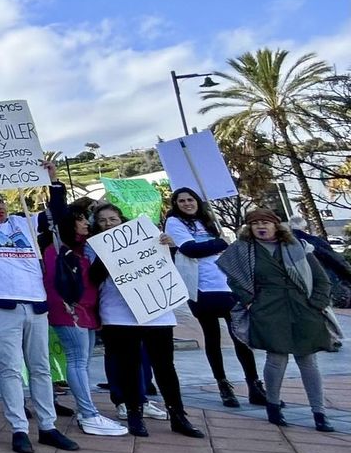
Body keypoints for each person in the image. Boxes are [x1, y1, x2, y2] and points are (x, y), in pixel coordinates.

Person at [0, 152, 77, 453]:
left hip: (34, 305)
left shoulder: (25, 223)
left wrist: (54, 180)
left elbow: (59, 215)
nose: (0, 206)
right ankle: (19, 428)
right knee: (9, 368)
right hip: (1, 307)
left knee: (41, 368)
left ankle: (48, 426)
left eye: (2, 201)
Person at [88, 204, 204, 439]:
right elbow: (92, 278)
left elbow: (164, 268)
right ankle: (134, 413)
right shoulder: (94, 248)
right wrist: (107, 256)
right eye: (103, 220)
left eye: (113, 218)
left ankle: (178, 414)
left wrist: (168, 247)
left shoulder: (146, 241)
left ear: (123, 220)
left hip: (156, 312)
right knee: (128, 367)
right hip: (119, 315)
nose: (109, 223)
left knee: (165, 367)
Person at [217, 209, 336, 432]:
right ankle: (273, 405)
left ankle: (319, 413)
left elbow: (321, 279)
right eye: (255, 224)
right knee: (276, 359)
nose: (261, 227)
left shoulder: (297, 246)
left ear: (276, 225)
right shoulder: (243, 250)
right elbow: (234, 279)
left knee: (308, 361)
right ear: (249, 228)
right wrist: (250, 302)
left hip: (303, 309)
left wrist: (317, 303)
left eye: (265, 223)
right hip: (269, 310)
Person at [40, 167, 127, 437]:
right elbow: (58, 211)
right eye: (81, 219)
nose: (87, 222)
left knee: (82, 363)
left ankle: (86, 411)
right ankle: (89, 414)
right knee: (77, 362)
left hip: (88, 311)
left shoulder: (88, 247)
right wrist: (54, 182)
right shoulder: (57, 244)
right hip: (69, 310)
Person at [166, 188, 263, 407]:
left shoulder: (209, 222)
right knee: (212, 338)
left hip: (226, 285)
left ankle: (254, 385)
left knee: (241, 337)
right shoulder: (174, 222)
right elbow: (190, 249)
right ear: (175, 204)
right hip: (201, 287)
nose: (187, 203)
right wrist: (219, 244)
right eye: (181, 201)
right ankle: (223, 385)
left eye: (190, 199)